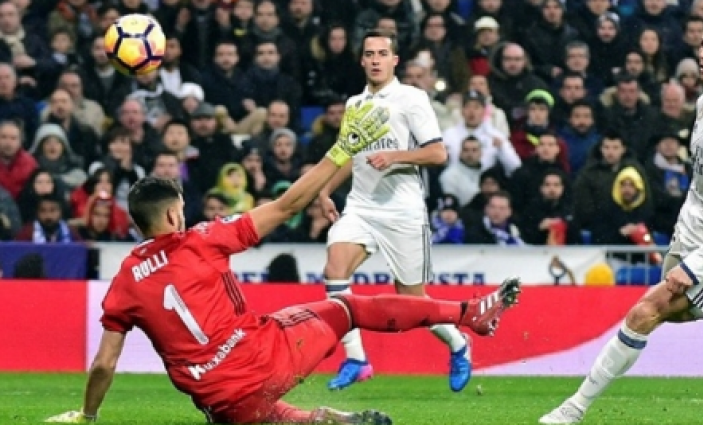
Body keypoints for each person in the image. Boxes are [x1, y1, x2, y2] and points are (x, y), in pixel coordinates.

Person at [44, 101, 522, 424]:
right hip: (264, 357)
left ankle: (327, 420)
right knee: (349, 308)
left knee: (256, 412)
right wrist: (343, 149)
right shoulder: (203, 239)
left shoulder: (125, 280)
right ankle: (467, 314)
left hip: (221, 402)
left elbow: (104, 363)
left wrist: (88, 416)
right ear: (173, 215)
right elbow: (289, 204)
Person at [538, 16, 703, 424]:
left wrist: (696, 264)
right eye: (702, 44)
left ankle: (572, 409)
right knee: (679, 311)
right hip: (694, 222)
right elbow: (702, 178)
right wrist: (686, 232)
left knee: (646, 312)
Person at [315, 29, 466, 392]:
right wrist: (325, 189)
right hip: (361, 207)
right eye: (370, 54)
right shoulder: (354, 104)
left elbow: (437, 153)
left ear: (394, 60)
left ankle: (459, 345)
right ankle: (357, 359)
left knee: (413, 301)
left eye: (383, 53)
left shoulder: (412, 98)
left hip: (403, 210)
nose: (376, 60)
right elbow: (350, 155)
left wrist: (395, 156)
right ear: (362, 60)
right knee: (335, 269)